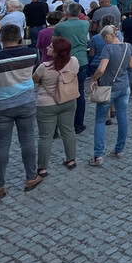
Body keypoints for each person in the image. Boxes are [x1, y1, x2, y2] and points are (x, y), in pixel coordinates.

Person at [0, 24, 41, 198]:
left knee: (2, 145)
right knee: (28, 140)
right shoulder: (32, 53)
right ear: (20, 38)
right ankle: (31, 176)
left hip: (2, 105)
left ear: (1, 38)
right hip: (26, 101)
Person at [31, 37, 79, 176]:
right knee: (68, 130)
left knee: (45, 136)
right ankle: (71, 159)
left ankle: (42, 167)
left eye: (51, 47)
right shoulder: (74, 61)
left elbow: (34, 79)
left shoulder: (44, 67)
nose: (47, 48)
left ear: (57, 52)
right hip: (68, 100)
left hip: (47, 104)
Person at [87, 25, 132, 166]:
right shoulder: (128, 46)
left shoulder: (108, 49)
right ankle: (119, 149)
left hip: (108, 87)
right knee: (122, 117)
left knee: (100, 120)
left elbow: (101, 69)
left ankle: (98, 155)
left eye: (104, 38)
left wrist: (93, 79)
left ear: (108, 36)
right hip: (124, 86)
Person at [52, 2, 90, 135]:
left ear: (67, 12)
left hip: (65, 61)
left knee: (60, 90)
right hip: (81, 60)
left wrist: (63, 19)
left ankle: (57, 126)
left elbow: (54, 41)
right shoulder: (85, 24)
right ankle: (78, 124)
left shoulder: (61, 26)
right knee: (79, 92)